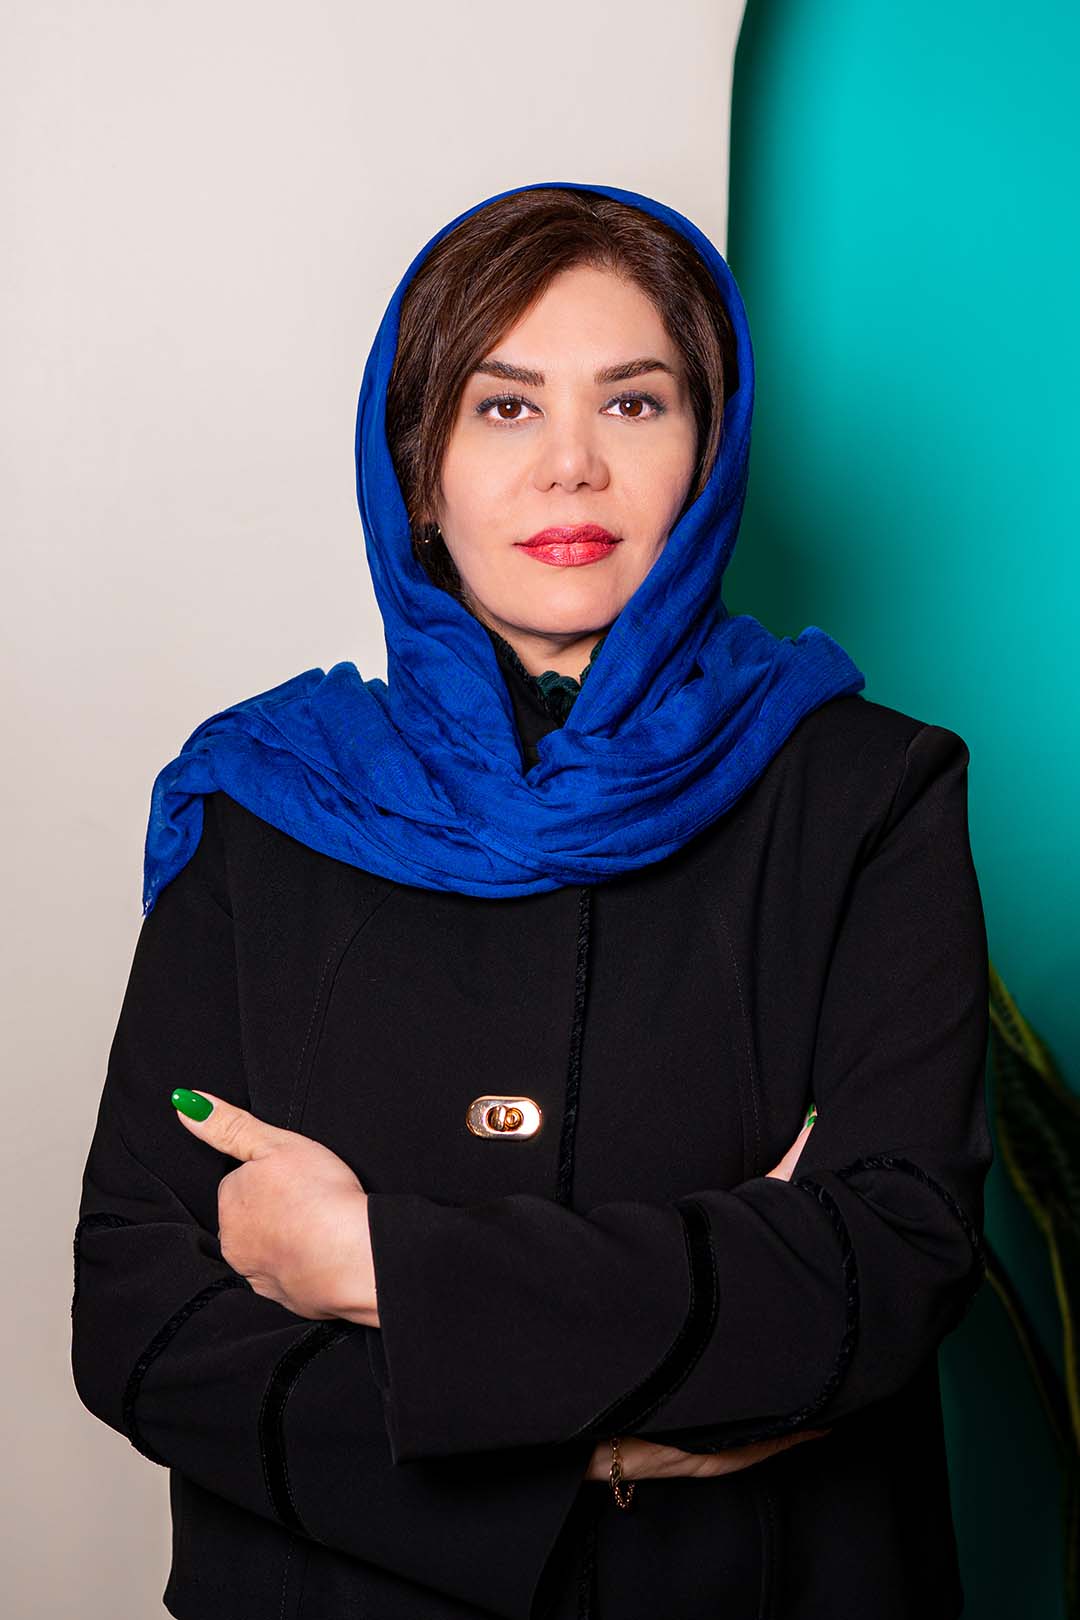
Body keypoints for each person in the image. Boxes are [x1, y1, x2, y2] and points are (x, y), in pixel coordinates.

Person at [71, 180, 992, 1620]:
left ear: (710, 449)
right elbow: (138, 1316)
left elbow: (884, 1265)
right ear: (417, 466)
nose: (572, 466)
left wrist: (372, 1264)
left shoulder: (869, 794)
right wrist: (591, 1454)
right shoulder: (263, 800)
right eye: (504, 407)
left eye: (634, 403)